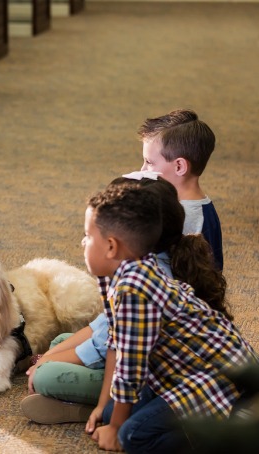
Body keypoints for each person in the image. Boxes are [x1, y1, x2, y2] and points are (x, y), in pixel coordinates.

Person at [21, 171, 229, 425]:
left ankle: (103, 413)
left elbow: (111, 351)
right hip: (133, 361)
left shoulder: (139, 284)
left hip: (155, 380)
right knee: (60, 341)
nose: (83, 241)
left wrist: (47, 363)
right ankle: (93, 405)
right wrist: (53, 354)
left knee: (47, 375)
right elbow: (102, 331)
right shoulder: (135, 269)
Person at [80, 180, 256, 452]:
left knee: (133, 435)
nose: (83, 242)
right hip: (182, 371)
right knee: (116, 409)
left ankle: (225, 435)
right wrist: (105, 409)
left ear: (112, 247)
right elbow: (116, 342)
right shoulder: (119, 272)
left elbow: (129, 370)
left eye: (89, 236)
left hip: (219, 374)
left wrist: (115, 428)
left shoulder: (133, 289)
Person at [139, 109, 223, 270]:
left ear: (179, 166)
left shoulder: (187, 217)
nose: (143, 169)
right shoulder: (199, 207)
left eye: (149, 162)